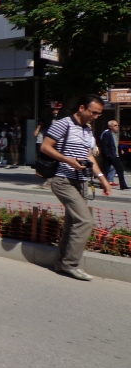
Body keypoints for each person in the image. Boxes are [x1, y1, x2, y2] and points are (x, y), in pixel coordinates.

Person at [41, 94, 111, 281]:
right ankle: (71, 265)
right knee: (85, 220)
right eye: (93, 112)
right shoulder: (63, 124)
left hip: (81, 181)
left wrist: (102, 178)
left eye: (99, 114)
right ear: (82, 108)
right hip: (62, 179)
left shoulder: (87, 130)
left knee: (73, 223)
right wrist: (68, 160)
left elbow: (89, 156)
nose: (95, 117)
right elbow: (45, 147)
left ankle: (61, 263)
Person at [100, 120, 128, 190]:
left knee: (118, 170)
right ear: (110, 126)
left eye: (117, 125)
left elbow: (116, 145)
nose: (117, 127)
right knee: (108, 170)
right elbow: (104, 145)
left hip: (115, 155)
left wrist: (119, 150)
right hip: (111, 155)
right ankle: (103, 184)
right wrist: (107, 154)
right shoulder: (107, 134)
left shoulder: (115, 134)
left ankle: (123, 185)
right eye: (115, 125)